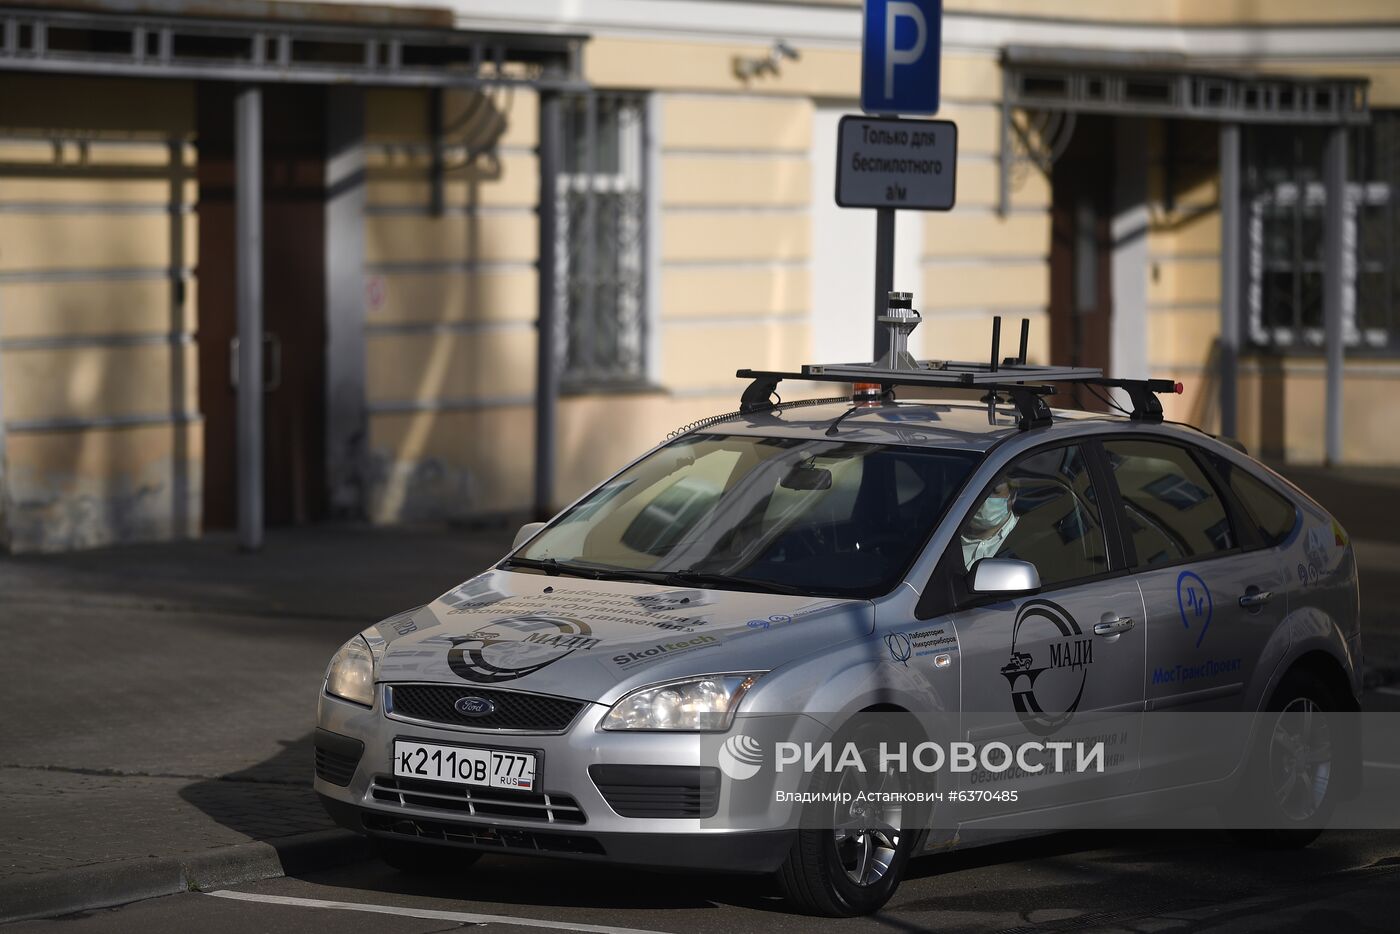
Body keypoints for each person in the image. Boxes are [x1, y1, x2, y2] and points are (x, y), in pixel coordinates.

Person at [961, 479, 1018, 570]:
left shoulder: (1023, 538)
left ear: (1012, 497)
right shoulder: (944, 532)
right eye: (975, 491)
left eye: (993, 491)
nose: (981, 498)